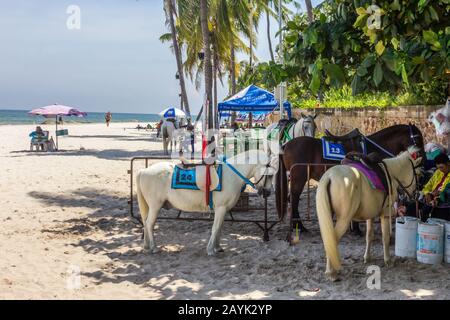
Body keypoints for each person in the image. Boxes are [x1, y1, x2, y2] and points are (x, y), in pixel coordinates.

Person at [398, 153, 450, 220]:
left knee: (424, 211)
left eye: (442, 167)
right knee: (412, 207)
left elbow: (447, 192)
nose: (440, 170)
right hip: (430, 198)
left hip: (443, 202)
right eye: (438, 168)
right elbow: (427, 186)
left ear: (448, 163)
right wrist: (427, 194)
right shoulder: (438, 172)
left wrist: (437, 196)